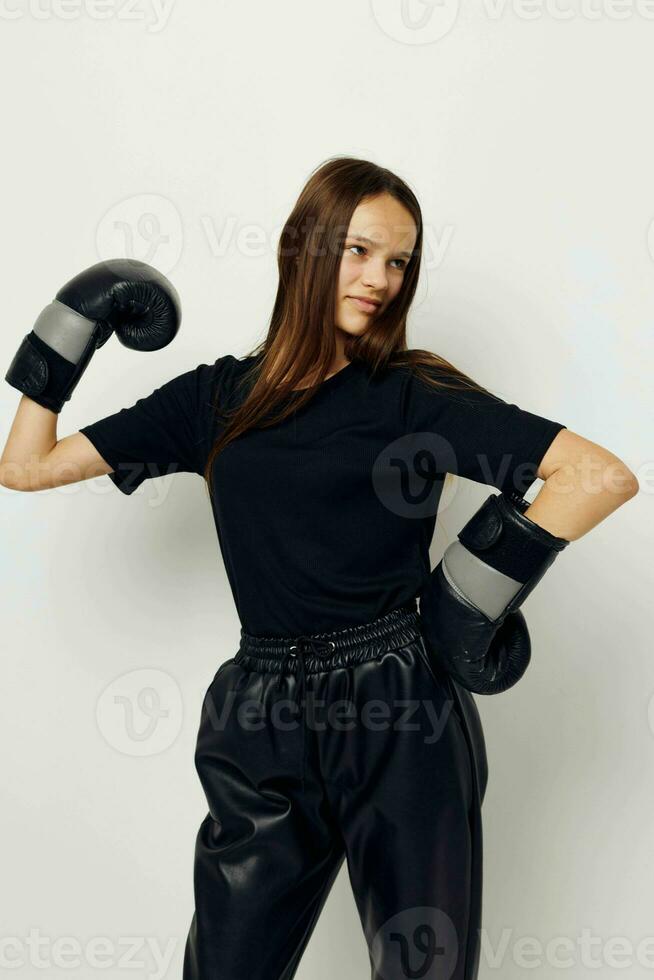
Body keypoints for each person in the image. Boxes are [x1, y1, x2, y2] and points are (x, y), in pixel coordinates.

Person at [1, 156, 639, 980]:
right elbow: (25, 465)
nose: (381, 279)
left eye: (400, 261)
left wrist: (461, 605)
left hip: (401, 709)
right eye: (361, 251)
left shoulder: (411, 395)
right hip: (257, 716)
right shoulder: (215, 399)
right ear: (305, 249)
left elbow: (597, 475)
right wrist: (69, 324)